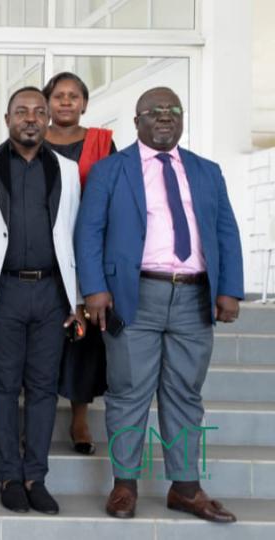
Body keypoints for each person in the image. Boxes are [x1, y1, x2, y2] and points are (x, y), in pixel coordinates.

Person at [76, 87, 243, 523]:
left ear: (182, 119)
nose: (165, 117)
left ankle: (185, 488)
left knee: (185, 392)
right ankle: (124, 485)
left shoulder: (207, 171)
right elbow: (89, 231)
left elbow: (226, 231)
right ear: (137, 122)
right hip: (133, 295)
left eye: (173, 110)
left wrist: (229, 289)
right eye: (154, 111)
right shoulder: (110, 170)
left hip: (194, 295)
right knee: (128, 392)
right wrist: (94, 289)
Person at [0, 87, 84, 515]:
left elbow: (73, 236)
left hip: (52, 293)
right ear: (7, 119)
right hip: (4, 292)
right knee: (3, 386)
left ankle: (36, 477)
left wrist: (76, 300)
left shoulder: (67, 170)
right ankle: (10, 477)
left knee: (44, 388)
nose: (30, 118)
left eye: (38, 111)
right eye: (21, 111)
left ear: (48, 119)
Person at [42, 72, 118, 456]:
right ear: (47, 103)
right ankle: (36, 417)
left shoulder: (103, 142)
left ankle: (79, 417)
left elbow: (116, 196)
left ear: (85, 103)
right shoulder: (31, 138)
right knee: (42, 335)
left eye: (74, 96)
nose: (66, 102)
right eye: (59, 96)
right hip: (40, 249)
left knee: (84, 338)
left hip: (87, 249)